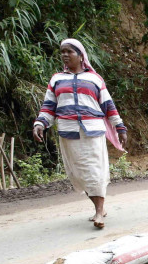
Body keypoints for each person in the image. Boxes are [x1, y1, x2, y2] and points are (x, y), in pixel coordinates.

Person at [33, 38, 127, 229]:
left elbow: (108, 105)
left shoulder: (95, 79)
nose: (65, 55)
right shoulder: (56, 79)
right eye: (62, 52)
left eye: (69, 51)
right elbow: (49, 106)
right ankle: (99, 207)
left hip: (93, 132)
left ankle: (99, 212)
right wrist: (40, 123)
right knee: (79, 174)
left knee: (94, 171)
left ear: (81, 55)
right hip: (68, 133)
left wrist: (120, 127)